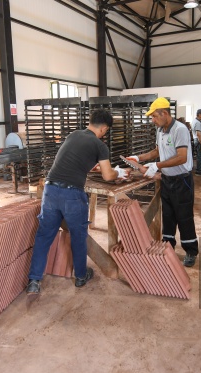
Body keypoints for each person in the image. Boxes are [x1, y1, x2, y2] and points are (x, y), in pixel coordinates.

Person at [26, 109, 129, 294]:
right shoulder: (100, 145)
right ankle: (81, 276)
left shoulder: (73, 135)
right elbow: (107, 175)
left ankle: (34, 281)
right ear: (104, 128)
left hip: (50, 190)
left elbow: (74, 160)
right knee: (78, 237)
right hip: (72, 195)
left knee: (43, 237)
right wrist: (118, 172)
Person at [127, 97, 199, 267]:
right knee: (168, 216)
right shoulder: (160, 130)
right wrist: (138, 157)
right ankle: (169, 246)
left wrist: (157, 165)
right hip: (166, 180)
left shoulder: (179, 130)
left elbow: (181, 157)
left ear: (165, 113)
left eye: (154, 117)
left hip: (182, 180)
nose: (152, 120)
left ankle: (190, 251)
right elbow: (158, 151)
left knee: (184, 217)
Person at [192, 109, 201, 176]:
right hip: (199, 140)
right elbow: (198, 134)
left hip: (197, 140)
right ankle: (200, 171)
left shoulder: (196, 121)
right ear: (200, 114)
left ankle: (199, 170)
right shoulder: (197, 123)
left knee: (200, 156)